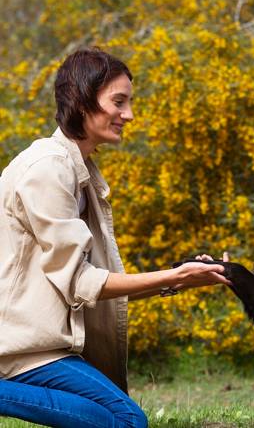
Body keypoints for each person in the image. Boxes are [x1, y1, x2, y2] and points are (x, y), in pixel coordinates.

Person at [0, 47, 230, 428]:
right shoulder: (48, 169)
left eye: (129, 102)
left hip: (47, 347)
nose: (129, 115)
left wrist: (181, 278)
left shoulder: (77, 168)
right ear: (82, 99)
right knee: (126, 420)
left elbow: (91, 282)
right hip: (20, 350)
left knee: (118, 419)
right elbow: (80, 282)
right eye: (118, 102)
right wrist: (174, 277)